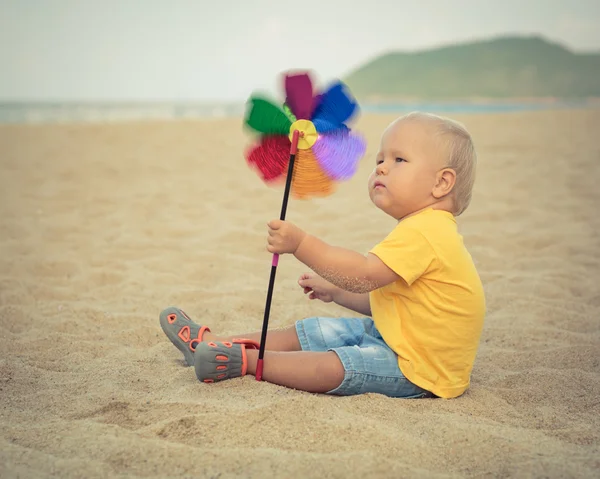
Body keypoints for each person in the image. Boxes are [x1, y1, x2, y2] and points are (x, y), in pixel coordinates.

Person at [160, 112, 486, 399]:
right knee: (318, 330)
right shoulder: (424, 228)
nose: (382, 168)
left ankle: (245, 361)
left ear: (442, 182)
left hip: (422, 368)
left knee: (338, 366)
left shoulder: (426, 232)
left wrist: (301, 244)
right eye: (379, 160)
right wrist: (338, 293)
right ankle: (217, 343)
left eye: (399, 160)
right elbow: (392, 301)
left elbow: (363, 275)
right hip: (399, 338)